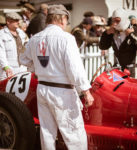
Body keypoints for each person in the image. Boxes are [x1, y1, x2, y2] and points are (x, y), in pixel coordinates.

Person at [19, 4, 94, 150]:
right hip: (62, 92)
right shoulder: (66, 38)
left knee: (47, 132)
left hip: (43, 88)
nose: (66, 23)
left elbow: (23, 59)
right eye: (66, 20)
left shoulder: (36, 38)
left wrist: (37, 70)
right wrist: (86, 90)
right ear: (62, 19)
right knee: (74, 134)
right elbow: (75, 68)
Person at [99, 8, 137, 79]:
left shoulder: (135, 29)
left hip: (134, 71)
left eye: (117, 20)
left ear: (124, 19)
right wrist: (106, 34)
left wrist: (131, 35)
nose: (115, 23)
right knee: (118, 90)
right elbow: (102, 46)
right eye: (113, 21)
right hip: (119, 71)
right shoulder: (112, 32)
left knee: (133, 90)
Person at [0, 12, 27, 80]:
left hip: (22, 69)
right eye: (15, 21)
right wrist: (6, 67)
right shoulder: (1, 34)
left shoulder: (21, 33)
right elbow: (1, 53)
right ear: (8, 22)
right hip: (8, 70)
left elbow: (27, 47)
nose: (18, 22)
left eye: (18, 20)